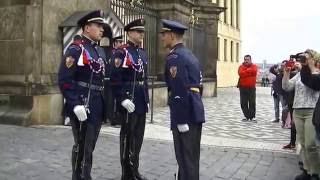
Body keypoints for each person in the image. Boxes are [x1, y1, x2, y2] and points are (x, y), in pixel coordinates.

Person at [58, 10, 107, 180]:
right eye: (98, 26)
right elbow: (64, 79)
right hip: (82, 103)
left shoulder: (98, 51)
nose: (102, 29)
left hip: (97, 103)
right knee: (81, 145)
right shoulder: (76, 48)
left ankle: (86, 175)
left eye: (102, 26)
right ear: (87, 27)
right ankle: (78, 177)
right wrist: (75, 103)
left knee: (90, 146)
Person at [160, 19, 205, 180]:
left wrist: (180, 118)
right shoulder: (189, 54)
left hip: (184, 112)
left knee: (185, 158)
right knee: (191, 157)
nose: (162, 38)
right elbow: (199, 84)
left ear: (172, 35)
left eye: (164, 34)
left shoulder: (174, 57)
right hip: (194, 108)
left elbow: (178, 88)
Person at [110, 19, 149, 180]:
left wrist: (146, 97)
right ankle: (126, 173)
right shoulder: (122, 52)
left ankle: (135, 169)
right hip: (129, 100)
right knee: (127, 137)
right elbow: (114, 78)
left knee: (138, 137)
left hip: (140, 99)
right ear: (130, 33)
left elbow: (144, 78)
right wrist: (122, 99)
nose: (141, 34)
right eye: (138, 32)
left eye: (142, 32)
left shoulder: (142, 52)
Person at [282, 49, 320, 180]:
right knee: (303, 143)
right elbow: (287, 87)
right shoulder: (299, 74)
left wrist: (310, 67)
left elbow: (315, 85)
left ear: (314, 59)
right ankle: (307, 170)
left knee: (311, 144)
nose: (303, 60)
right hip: (298, 111)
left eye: (307, 57)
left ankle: (315, 172)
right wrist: (286, 74)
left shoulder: (317, 72)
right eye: (303, 58)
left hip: (312, 111)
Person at [238, 55, 258, 122]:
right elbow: (240, 73)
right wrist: (249, 71)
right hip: (242, 87)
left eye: (248, 59)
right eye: (245, 59)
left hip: (251, 87)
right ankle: (246, 116)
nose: (246, 61)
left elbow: (254, 72)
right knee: (243, 102)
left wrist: (245, 71)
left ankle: (252, 117)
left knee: (252, 102)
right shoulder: (241, 67)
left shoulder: (254, 66)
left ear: (250, 60)